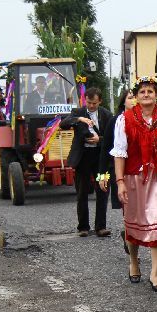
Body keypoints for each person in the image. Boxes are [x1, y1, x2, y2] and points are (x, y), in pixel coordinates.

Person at [110, 77, 157, 291]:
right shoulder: (124, 119)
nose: (146, 95)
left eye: (150, 91)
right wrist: (120, 182)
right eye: (142, 92)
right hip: (133, 177)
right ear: (136, 97)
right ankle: (134, 262)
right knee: (133, 224)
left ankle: (155, 274)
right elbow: (120, 153)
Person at [61, 88, 114, 238]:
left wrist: (100, 140)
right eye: (89, 103)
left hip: (101, 158)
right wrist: (79, 119)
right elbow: (63, 124)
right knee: (82, 192)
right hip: (83, 157)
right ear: (85, 100)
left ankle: (101, 227)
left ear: (100, 102)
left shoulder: (106, 114)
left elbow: (113, 138)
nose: (91, 106)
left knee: (102, 190)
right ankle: (83, 227)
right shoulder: (78, 112)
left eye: (94, 103)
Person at [98, 88, 137, 258]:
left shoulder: (145, 120)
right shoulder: (115, 121)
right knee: (127, 207)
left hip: (140, 172)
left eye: (136, 97)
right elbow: (105, 150)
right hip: (119, 170)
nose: (134, 100)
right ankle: (128, 233)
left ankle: (132, 233)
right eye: (130, 97)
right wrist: (102, 176)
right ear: (123, 102)